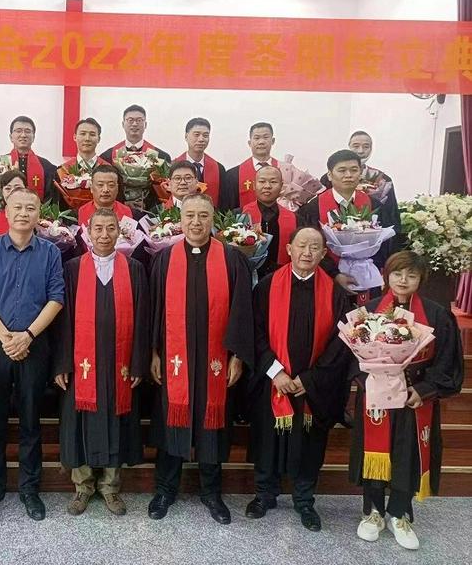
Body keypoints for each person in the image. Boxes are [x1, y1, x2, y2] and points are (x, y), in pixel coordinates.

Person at [147, 194, 254, 523]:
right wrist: (152, 352)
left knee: (212, 425)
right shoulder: (164, 259)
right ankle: (165, 490)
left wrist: (237, 356)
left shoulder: (232, 259)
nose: (196, 222)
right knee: (171, 423)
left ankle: (211, 493)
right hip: (174, 359)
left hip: (215, 359)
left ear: (213, 220)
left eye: (203, 216)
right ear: (180, 219)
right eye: (189, 215)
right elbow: (153, 309)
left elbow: (241, 312)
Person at [349, 251, 463, 550]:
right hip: (376, 398)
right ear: (387, 275)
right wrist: (371, 382)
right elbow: (351, 358)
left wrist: (422, 390)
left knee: (407, 453)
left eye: (411, 275)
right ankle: (372, 512)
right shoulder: (368, 311)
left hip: (414, 400)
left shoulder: (437, 315)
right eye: (398, 273)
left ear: (420, 280)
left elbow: (447, 361)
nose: (403, 280)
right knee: (376, 454)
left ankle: (400, 513)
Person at [247, 227, 352, 532]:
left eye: (314, 247)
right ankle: (264, 495)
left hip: (314, 387)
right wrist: (275, 371)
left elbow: (342, 342)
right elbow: (254, 333)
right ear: (289, 249)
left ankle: (304, 500)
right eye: (302, 245)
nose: (307, 252)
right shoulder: (266, 287)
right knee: (268, 439)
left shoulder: (336, 294)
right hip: (273, 383)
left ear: (323, 254)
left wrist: (311, 378)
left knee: (310, 444)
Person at [0, 187, 64, 521]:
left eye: (31, 208)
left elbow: (56, 298)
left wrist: (26, 336)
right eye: (18, 207)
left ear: (39, 215)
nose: (24, 213)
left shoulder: (51, 253)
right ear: (5, 213)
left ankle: (29, 490)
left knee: (30, 421)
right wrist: (7, 338)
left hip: (34, 345)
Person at [53, 208, 150, 516]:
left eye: (111, 229)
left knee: (115, 420)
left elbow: (144, 320)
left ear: (119, 232)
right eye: (99, 229)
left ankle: (110, 487)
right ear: (88, 232)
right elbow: (62, 320)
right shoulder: (71, 269)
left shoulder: (134, 269)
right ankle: (83, 487)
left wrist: (138, 363)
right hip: (82, 363)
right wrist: (62, 363)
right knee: (80, 419)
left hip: (119, 362)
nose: (105, 235)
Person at [298, 149, 388, 299]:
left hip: (367, 278)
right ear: (329, 175)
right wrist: (335, 274)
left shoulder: (374, 205)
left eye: (354, 170)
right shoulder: (311, 209)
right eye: (342, 170)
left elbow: (385, 245)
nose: (348, 175)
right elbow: (310, 247)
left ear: (360, 173)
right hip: (326, 278)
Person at [319, 131, 402, 256]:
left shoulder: (383, 180)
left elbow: (391, 217)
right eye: (356, 146)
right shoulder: (327, 179)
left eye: (366, 146)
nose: (361, 150)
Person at [240, 165, 301, 280]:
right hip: (246, 278)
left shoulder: (296, 219)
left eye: (273, 182)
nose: (267, 186)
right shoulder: (240, 215)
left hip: (282, 278)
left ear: (281, 186)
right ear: (254, 185)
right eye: (262, 181)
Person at [0, 116, 56, 202]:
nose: (23, 135)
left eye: (28, 131)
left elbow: (51, 198)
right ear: (11, 137)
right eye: (18, 131)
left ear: (33, 137)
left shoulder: (47, 166)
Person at [55, 118, 110, 208]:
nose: (87, 138)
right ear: (75, 137)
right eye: (83, 134)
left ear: (99, 139)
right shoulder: (62, 170)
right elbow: (58, 204)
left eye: (92, 134)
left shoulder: (108, 169)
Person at [224, 122, 279, 210]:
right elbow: (229, 210)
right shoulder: (233, 175)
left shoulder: (284, 170)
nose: (261, 142)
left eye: (265, 137)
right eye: (256, 138)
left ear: (273, 141)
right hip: (245, 223)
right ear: (250, 143)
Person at [173, 118, 226, 207]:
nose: (201, 139)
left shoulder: (218, 168)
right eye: (196, 135)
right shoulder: (173, 166)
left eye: (205, 135)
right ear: (186, 136)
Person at [98, 104, 171, 163]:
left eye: (139, 120)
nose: (135, 124)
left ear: (145, 124)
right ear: (123, 124)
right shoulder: (107, 157)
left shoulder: (161, 157)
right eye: (130, 120)